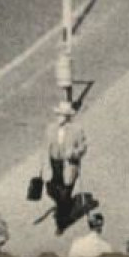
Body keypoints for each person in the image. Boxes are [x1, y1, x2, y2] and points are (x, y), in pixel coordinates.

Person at [47, 100, 89, 233]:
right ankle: (65, 206)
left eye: (62, 115)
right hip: (54, 164)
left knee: (64, 194)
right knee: (51, 191)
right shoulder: (51, 129)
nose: (59, 118)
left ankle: (61, 223)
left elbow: (83, 147)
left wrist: (75, 153)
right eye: (58, 115)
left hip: (68, 165)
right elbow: (45, 148)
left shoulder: (76, 130)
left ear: (68, 117)